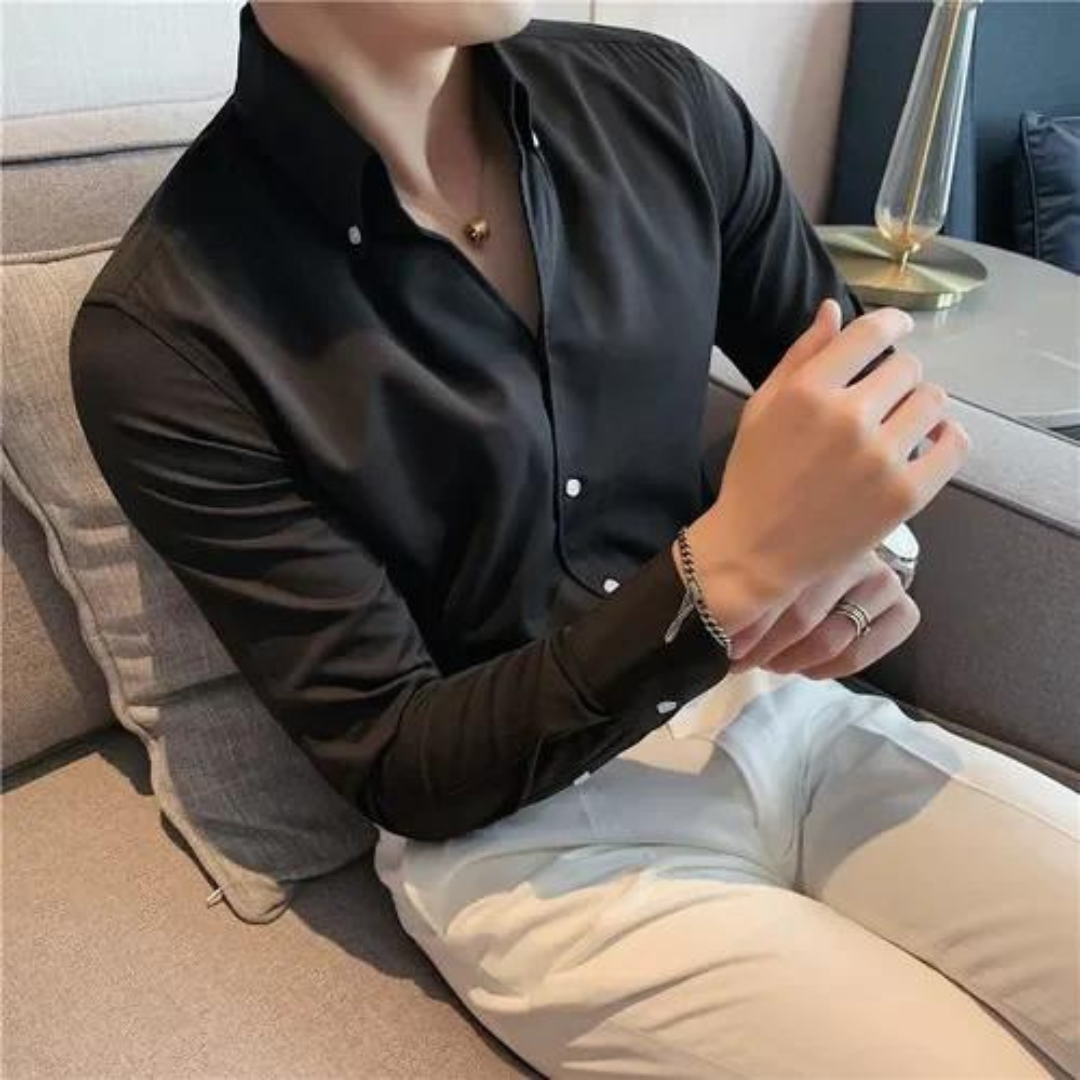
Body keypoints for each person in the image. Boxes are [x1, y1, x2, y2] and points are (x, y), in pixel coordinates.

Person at [69, 2, 1078, 1076]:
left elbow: (859, 400)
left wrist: (864, 553)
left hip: (790, 715)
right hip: (533, 851)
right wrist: (726, 576)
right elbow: (399, 760)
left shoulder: (661, 105)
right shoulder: (170, 334)